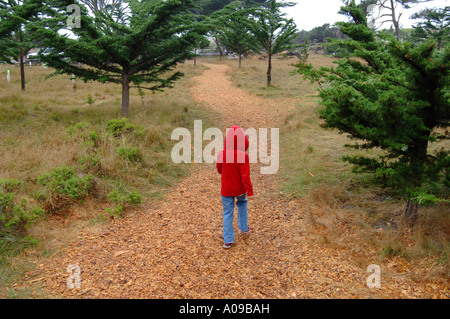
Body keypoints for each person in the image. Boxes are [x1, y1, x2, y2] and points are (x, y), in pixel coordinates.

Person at [216, 126, 254, 249]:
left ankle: (228, 240)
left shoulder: (222, 154)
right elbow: (245, 176)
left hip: (226, 189)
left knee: (227, 211)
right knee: (242, 203)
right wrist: (249, 190)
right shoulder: (243, 156)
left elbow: (219, 170)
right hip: (240, 189)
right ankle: (243, 227)